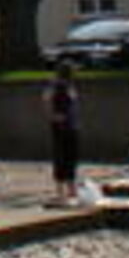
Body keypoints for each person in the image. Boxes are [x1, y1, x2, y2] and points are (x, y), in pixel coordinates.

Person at [44, 61, 81, 205]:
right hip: (63, 127)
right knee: (62, 157)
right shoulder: (58, 86)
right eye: (73, 71)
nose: (75, 74)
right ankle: (62, 192)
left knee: (69, 157)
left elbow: (47, 101)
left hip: (69, 126)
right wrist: (55, 116)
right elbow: (48, 102)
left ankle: (70, 190)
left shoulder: (66, 87)